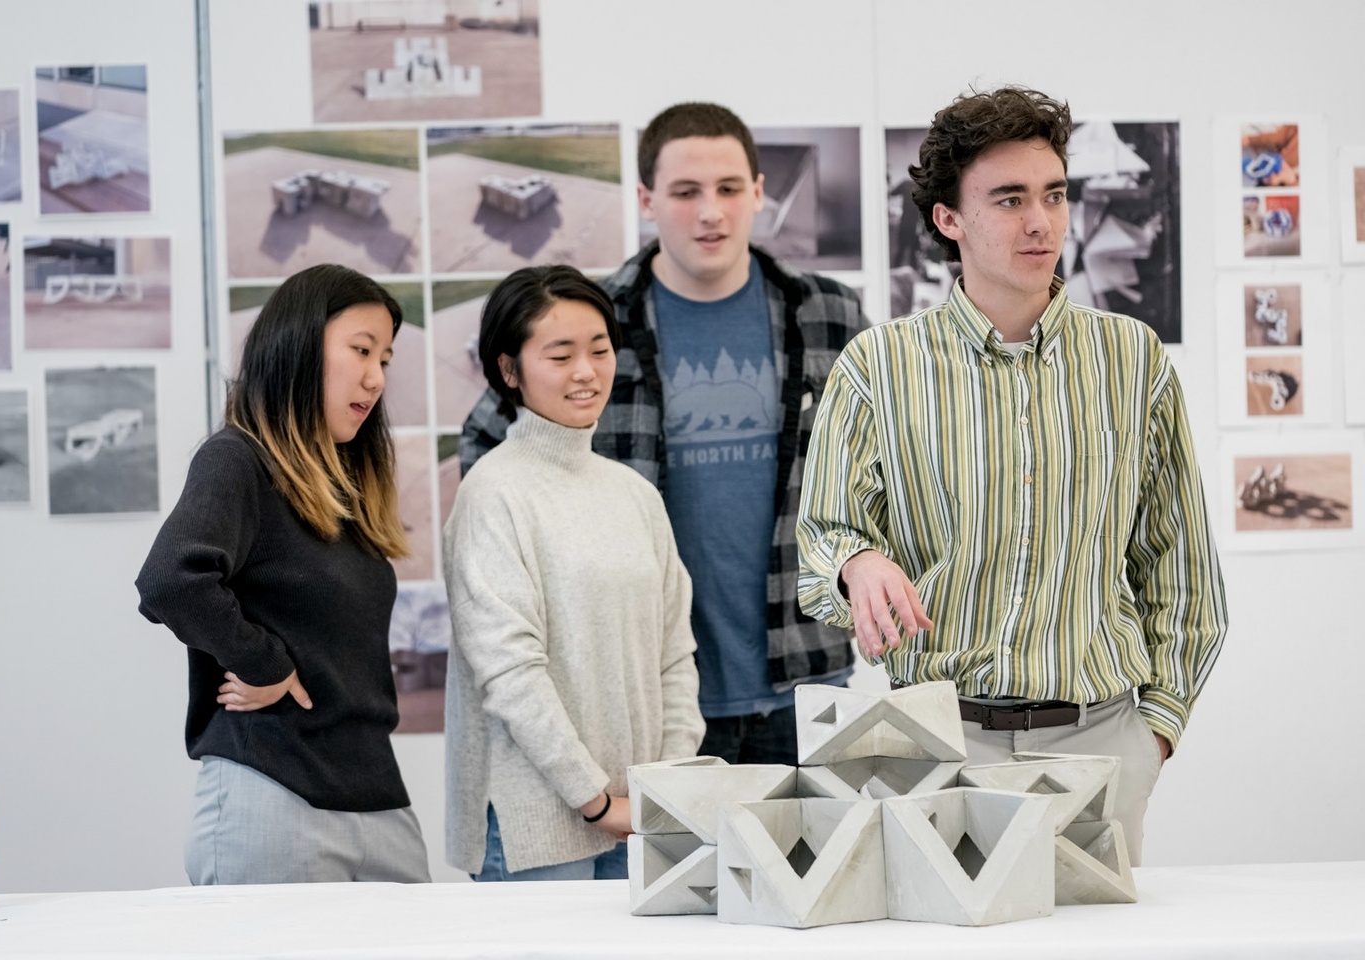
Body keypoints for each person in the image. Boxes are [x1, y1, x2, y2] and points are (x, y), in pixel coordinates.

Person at [795, 87, 1228, 865]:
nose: (1041, 221)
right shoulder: (879, 367)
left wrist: (1155, 732)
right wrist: (857, 563)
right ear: (948, 220)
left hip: (1100, 746)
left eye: (1054, 195)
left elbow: (1180, 564)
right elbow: (825, 540)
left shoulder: (1131, 360)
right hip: (934, 746)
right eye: (1009, 199)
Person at [460, 103, 869, 765]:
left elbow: (884, 470)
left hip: (810, 678)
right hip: (647, 692)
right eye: (685, 192)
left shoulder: (830, 314)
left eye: (730, 189)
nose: (711, 212)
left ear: (760, 193)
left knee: (817, 869)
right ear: (648, 199)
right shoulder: (592, 323)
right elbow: (486, 445)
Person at [135, 263, 430, 885]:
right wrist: (264, 662)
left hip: (377, 799)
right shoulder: (237, 460)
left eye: (385, 359)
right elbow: (170, 578)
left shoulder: (345, 487)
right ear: (299, 346)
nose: (376, 378)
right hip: (275, 797)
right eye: (360, 351)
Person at [443, 265, 704, 881]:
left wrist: (665, 785)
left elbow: (675, 654)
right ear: (510, 371)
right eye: (560, 355)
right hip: (533, 828)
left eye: (599, 350)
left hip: (642, 822)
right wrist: (594, 800)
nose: (586, 372)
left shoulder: (635, 494)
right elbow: (509, 672)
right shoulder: (493, 493)